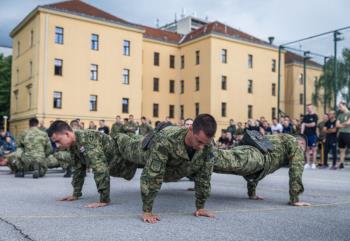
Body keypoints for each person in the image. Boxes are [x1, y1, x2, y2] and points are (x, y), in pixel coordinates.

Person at [140, 114, 217, 223]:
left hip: (171, 160)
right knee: (125, 143)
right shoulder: (166, 139)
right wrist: (147, 211)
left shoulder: (207, 146)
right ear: (190, 129)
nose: (201, 147)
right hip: (143, 151)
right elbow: (152, 174)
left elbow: (204, 176)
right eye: (199, 141)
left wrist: (200, 207)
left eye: (206, 143)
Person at [213, 133, 310, 207]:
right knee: (218, 159)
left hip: (250, 156)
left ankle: (203, 153)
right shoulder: (294, 143)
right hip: (255, 156)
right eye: (303, 148)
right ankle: (205, 148)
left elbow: (257, 168)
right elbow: (296, 168)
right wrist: (295, 198)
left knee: (217, 165)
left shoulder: (280, 141)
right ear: (301, 143)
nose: (302, 152)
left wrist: (252, 193)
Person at [301, 104, 318, 169]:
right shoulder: (305, 116)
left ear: (312, 108)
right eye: (307, 108)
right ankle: (307, 163)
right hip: (306, 135)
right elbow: (302, 125)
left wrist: (305, 124)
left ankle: (313, 163)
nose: (308, 109)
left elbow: (313, 124)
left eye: (310, 108)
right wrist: (302, 134)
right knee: (307, 149)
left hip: (313, 135)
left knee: (314, 149)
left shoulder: (315, 116)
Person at [336, 101, 350, 169]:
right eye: (339, 106)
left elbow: (349, 123)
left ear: (344, 105)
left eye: (340, 106)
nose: (340, 108)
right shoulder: (340, 115)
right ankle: (341, 163)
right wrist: (344, 124)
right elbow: (336, 125)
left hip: (348, 133)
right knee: (342, 150)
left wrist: (341, 124)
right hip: (341, 134)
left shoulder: (349, 113)